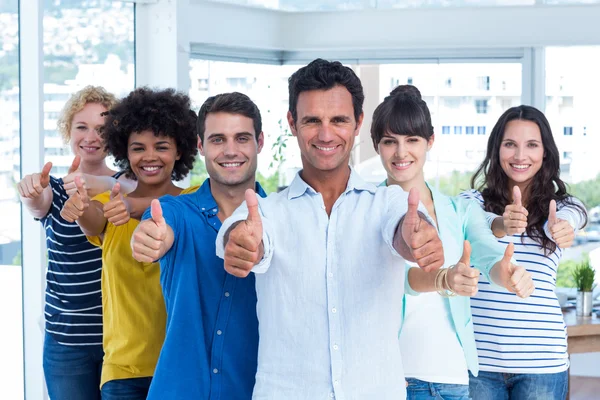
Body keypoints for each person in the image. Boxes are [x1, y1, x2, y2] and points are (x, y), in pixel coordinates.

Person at [216, 59, 445, 400]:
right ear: (292, 123)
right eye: (312, 121)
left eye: (338, 120)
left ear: (358, 124)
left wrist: (418, 238)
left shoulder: (388, 203)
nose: (326, 134)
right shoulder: (266, 211)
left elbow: (405, 232)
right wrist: (242, 245)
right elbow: (245, 235)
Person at [371, 85, 535, 400]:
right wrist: (444, 279)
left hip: (454, 377)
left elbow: (489, 258)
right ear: (376, 145)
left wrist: (509, 274)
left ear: (430, 141)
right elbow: (399, 280)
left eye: (412, 140)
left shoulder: (459, 210)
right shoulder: (365, 209)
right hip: (393, 378)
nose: (401, 153)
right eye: (390, 141)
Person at [60, 87, 198, 400]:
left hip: (181, 367)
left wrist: (137, 208)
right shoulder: (108, 204)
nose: (149, 156)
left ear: (179, 151)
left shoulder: (194, 201)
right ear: (125, 152)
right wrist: (81, 207)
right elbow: (93, 217)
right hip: (122, 373)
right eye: (138, 148)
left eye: (161, 146)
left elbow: (177, 208)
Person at [129, 92, 266, 400]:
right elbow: (158, 227)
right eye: (218, 140)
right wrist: (150, 237)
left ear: (259, 142)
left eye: (241, 138)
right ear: (201, 146)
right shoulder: (176, 211)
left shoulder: (282, 221)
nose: (230, 150)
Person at [461, 105, 587, 400]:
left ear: (545, 152)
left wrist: (562, 228)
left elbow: (574, 216)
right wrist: (503, 224)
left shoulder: (563, 207)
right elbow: (476, 226)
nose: (520, 156)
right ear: (496, 149)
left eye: (531, 145)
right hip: (479, 364)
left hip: (541, 364)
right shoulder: (471, 202)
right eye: (510, 145)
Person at [16, 86, 134, 400]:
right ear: (68, 131)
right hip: (66, 342)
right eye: (82, 127)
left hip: (121, 340)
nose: (91, 136)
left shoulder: (128, 184)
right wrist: (30, 193)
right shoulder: (52, 187)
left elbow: (138, 191)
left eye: (101, 128)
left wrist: (102, 184)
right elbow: (38, 204)